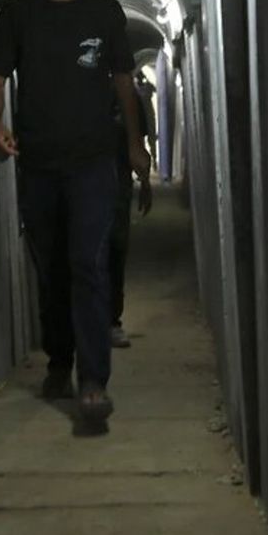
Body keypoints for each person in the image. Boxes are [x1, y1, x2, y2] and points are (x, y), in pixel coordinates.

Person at [0, 0, 153, 421]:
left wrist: (135, 144)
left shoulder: (104, 13)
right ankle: (59, 360)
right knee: (52, 268)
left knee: (88, 264)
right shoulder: (18, 15)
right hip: (39, 163)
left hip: (92, 163)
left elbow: (123, 81)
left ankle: (93, 379)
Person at [107, 78, 157, 348]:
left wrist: (145, 182)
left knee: (115, 250)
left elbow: (139, 142)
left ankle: (111, 321)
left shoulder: (128, 94)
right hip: (83, 182)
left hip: (117, 185)